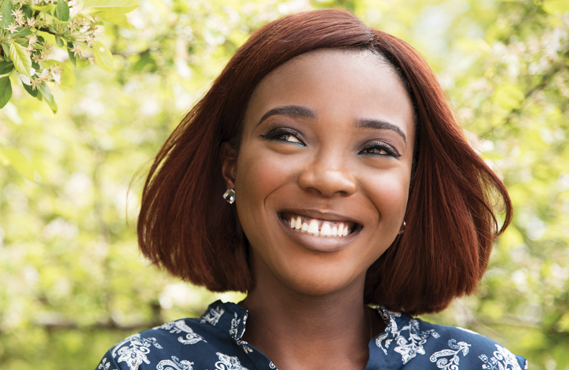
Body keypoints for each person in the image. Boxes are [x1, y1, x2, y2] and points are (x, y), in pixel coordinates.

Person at [95, 8, 527, 370]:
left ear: (412, 190)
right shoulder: (143, 363)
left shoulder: (483, 365)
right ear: (230, 168)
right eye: (287, 136)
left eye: (377, 148)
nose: (327, 177)